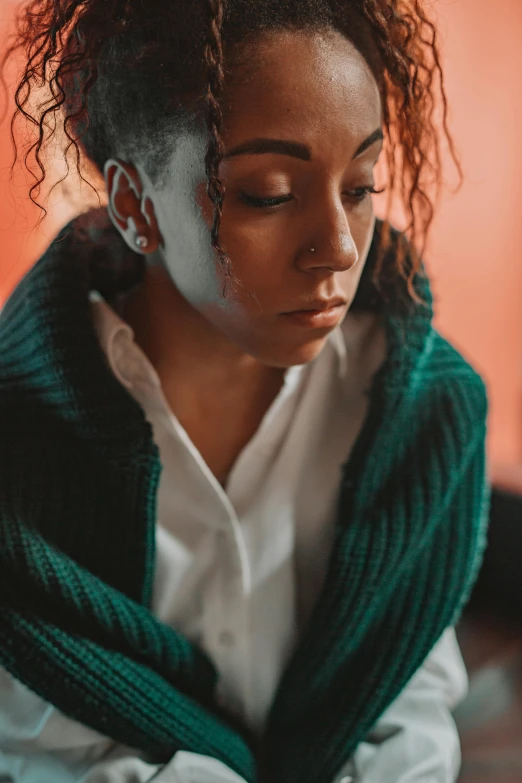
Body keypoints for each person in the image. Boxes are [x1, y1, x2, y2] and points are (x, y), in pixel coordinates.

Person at [0, 1, 489, 782]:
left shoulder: (424, 416)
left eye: (361, 186)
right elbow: (47, 750)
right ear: (133, 205)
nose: (336, 247)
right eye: (267, 192)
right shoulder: (19, 442)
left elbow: (407, 716)